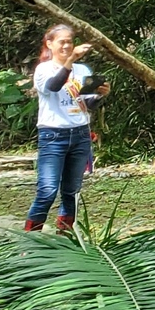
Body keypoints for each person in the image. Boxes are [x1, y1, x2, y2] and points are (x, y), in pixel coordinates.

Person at [26, 24, 110, 233]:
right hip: (53, 135)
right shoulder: (43, 69)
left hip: (80, 134)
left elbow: (86, 104)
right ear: (50, 44)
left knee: (72, 191)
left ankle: (65, 235)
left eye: (69, 41)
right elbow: (53, 86)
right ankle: (30, 238)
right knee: (47, 189)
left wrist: (100, 94)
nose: (66, 45)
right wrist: (71, 61)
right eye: (61, 41)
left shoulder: (83, 71)